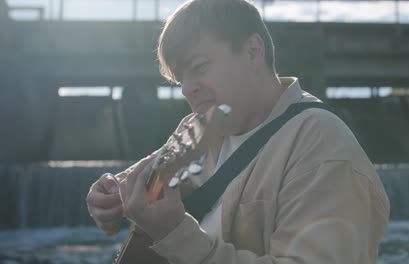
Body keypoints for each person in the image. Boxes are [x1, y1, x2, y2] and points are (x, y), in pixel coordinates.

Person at [86, 0, 390, 263]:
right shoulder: (196, 129)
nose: (187, 89)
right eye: (181, 79)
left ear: (252, 52)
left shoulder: (323, 147)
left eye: (200, 67)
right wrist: (112, 196)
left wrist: (174, 234)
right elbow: (144, 184)